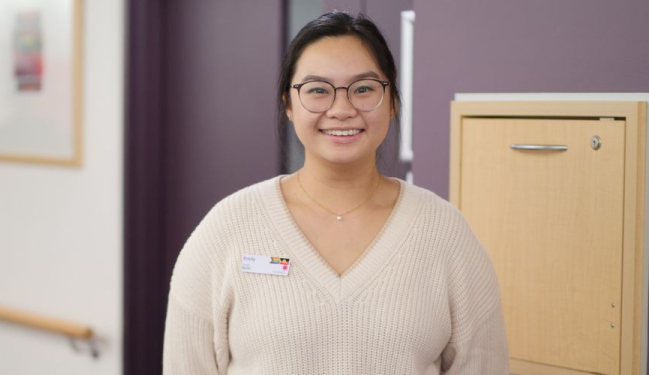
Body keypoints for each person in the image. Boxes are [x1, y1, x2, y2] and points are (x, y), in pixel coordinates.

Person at [163, 11, 509, 374]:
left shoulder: (445, 233)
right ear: (288, 104)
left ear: (392, 102)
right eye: (317, 90)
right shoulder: (227, 228)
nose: (342, 109)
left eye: (363, 89)